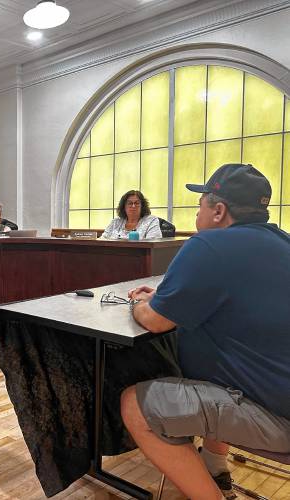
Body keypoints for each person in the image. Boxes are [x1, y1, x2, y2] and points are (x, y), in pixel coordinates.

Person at [120, 164, 290, 500]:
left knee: (134, 406)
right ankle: (215, 467)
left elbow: (154, 321)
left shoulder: (208, 246)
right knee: (214, 374)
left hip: (277, 418)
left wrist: (137, 306)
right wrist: (169, 299)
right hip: (276, 396)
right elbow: (239, 299)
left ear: (218, 211)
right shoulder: (282, 242)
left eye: (200, 205)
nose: (196, 213)